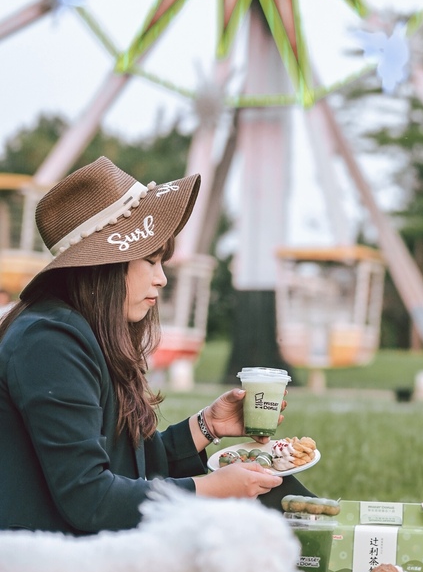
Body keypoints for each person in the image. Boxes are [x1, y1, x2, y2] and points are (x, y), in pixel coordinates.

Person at [0, 156, 312, 534]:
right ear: (104, 266)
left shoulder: (78, 331)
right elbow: (90, 499)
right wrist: (206, 490)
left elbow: (126, 468)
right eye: (149, 261)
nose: (161, 279)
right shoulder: (49, 342)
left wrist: (207, 425)